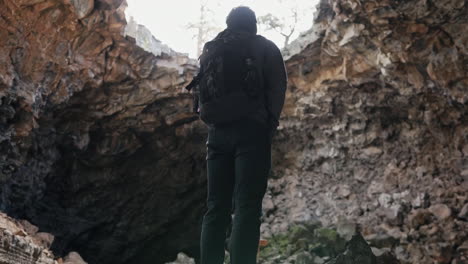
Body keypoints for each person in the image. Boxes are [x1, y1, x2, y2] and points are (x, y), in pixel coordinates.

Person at [189, 6, 287, 264]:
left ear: (229, 23)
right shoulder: (265, 48)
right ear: (253, 24)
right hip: (251, 133)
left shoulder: (212, 50)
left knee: (215, 207)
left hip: (217, 136)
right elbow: (277, 91)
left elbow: (200, 97)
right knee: (246, 206)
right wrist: (268, 126)